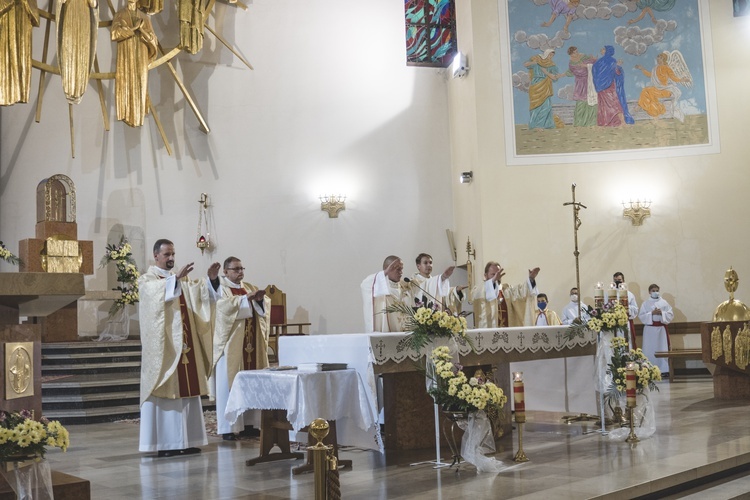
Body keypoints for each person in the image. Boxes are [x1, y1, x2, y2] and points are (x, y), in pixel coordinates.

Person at [138, 239, 220, 457]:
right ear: (156, 256)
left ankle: (187, 439)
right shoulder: (148, 280)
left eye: (173, 254)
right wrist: (176, 280)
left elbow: (201, 296)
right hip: (165, 350)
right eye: (166, 254)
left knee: (187, 392)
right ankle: (166, 445)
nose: (171, 258)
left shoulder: (182, 280)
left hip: (186, 347)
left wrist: (211, 280)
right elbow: (152, 300)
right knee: (168, 393)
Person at [213, 256, 271, 440]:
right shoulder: (221, 289)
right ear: (225, 271)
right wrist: (244, 300)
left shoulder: (250, 287)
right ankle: (228, 428)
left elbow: (264, 307)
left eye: (241, 269)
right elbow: (221, 309)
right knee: (229, 386)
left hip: (252, 345)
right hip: (230, 349)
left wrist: (259, 301)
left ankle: (250, 424)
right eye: (236, 269)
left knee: (252, 384)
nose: (240, 273)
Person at [111, 0, 158, 127]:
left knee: (140, 82)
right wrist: (133, 29)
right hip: (126, 54)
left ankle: (138, 116)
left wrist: (141, 30)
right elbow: (114, 34)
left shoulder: (144, 18)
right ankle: (126, 113)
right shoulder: (119, 14)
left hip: (141, 54)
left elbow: (153, 40)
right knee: (125, 81)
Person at [472, 261, 540, 328]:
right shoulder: (480, 290)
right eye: (493, 274)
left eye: (498, 274)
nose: (497, 276)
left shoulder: (507, 290)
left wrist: (531, 279)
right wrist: (492, 281)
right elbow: (475, 295)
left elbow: (522, 293)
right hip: (489, 335)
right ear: (485, 275)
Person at [0, 0, 40, 105]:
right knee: (6, 50)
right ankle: (7, 91)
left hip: (23, 11)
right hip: (6, 10)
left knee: (22, 51)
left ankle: (20, 91)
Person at [635, 51, 691, 123]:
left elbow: (673, 77)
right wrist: (642, 68)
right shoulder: (655, 68)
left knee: (650, 92)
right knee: (645, 90)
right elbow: (650, 75)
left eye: (660, 58)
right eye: (658, 58)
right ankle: (645, 107)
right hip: (658, 89)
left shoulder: (666, 68)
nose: (658, 59)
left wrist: (681, 79)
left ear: (663, 59)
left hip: (665, 90)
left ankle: (654, 111)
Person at [361, 256, 412, 332]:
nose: (401, 272)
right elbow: (364, 285)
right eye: (398, 269)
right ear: (388, 269)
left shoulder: (405, 286)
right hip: (387, 334)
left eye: (402, 269)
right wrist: (385, 273)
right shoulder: (379, 287)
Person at [592, 45, 634, 127]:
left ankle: (622, 122)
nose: (601, 49)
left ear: (607, 50)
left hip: (607, 87)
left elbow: (616, 72)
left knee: (614, 104)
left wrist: (617, 66)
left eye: (603, 49)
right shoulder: (601, 61)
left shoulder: (610, 61)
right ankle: (608, 122)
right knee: (608, 105)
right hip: (604, 87)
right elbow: (595, 71)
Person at [638, 284, 674, 375]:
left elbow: (670, 314)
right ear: (649, 292)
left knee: (662, 349)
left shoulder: (664, 302)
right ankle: (649, 369)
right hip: (649, 330)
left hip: (661, 330)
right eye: (653, 291)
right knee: (649, 350)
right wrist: (651, 313)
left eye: (657, 290)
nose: (655, 292)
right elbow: (641, 316)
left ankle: (664, 370)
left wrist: (662, 313)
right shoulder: (645, 303)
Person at [524, 49, 562, 130]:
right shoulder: (537, 60)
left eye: (552, 55)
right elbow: (526, 64)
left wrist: (555, 76)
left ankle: (544, 125)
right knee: (535, 106)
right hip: (535, 85)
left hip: (546, 86)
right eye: (550, 55)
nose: (551, 57)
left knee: (547, 106)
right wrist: (535, 62)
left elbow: (555, 77)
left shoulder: (552, 65)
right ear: (546, 54)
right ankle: (534, 125)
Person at [565, 46, 598, 127]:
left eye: (577, 51)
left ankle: (591, 122)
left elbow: (592, 63)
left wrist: (592, 60)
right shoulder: (571, 63)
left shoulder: (583, 56)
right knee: (580, 102)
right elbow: (572, 71)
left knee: (591, 101)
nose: (577, 53)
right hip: (580, 83)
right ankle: (579, 123)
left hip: (588, 80)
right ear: (571, 54)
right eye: (575, 52)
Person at [613, 271, 639, 348]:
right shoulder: (609, 294)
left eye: (619, 280)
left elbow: (635, 309)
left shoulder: (630, 294)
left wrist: (626, 306)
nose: (617, 281)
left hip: (626, 323)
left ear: (623, 281)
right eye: (615, 280)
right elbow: (605, 307)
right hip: (613, 324)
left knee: (627, 345)